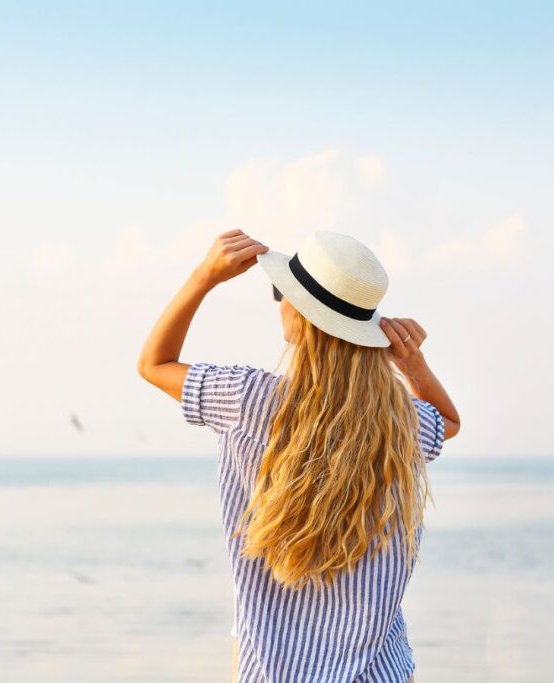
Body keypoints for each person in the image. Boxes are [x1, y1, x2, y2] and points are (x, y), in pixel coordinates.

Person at [137, 229, 461, 682]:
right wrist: (412, 365)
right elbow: (447, 421)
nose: (279, 302)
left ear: (300, 315)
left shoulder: (245, 398)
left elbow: (154, 364)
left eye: (280, 292)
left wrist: (203, 278)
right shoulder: (397, 423)